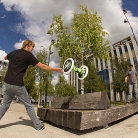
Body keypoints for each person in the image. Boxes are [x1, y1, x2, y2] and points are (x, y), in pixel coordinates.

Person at [0, 39, 63, 130]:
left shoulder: (14, 52)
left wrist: (10, 58)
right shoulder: (28, 55)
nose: (32, 49)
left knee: (4, 105)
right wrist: (55, 69)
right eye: (32, 47)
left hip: (7, 83)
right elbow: (42, 66)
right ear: (28, 45)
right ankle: (38, 125)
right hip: (18, 85)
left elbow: (5, 57)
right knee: (28, 105)